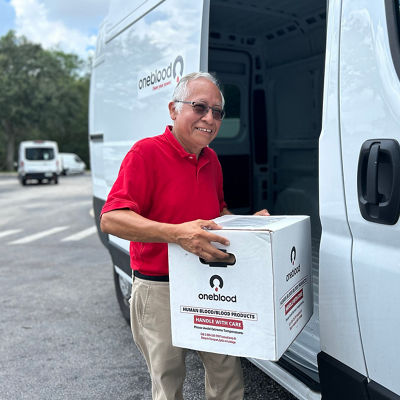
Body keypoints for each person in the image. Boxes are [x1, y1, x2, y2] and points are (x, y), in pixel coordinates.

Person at [100, 72, 269, 400]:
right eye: (200, 107)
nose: (210, 118)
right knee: (169, 380)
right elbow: (111, 219)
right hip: (158, 286)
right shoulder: (145, 153)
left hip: (207, 282)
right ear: (174, 110)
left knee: (226, 373)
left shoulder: (212, 159)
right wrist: (177, 235)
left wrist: (249, 224)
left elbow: (217, 212)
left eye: (218, 112)